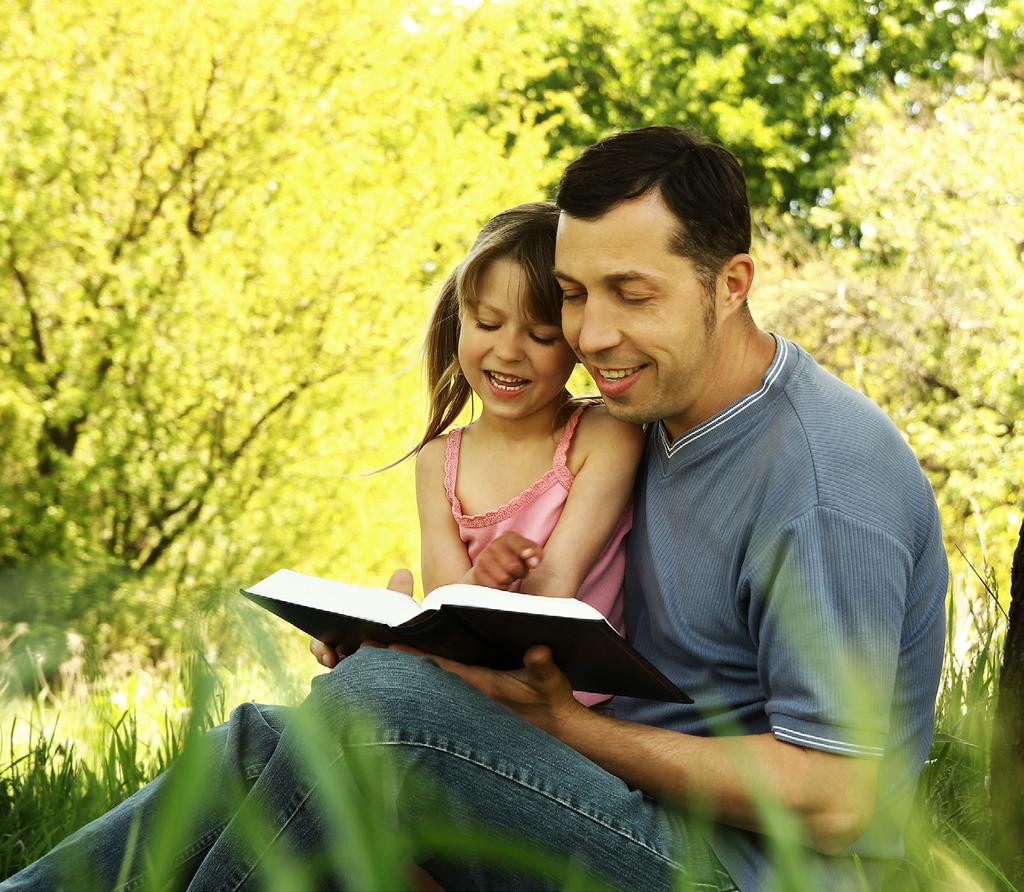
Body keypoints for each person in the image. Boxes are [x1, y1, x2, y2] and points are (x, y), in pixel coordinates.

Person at [3, 127, 947, 892]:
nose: (594, 335)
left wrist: (562, 728)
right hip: (621, 799)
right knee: (271, 739)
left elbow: (842, 798)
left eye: (632, 294)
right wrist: (419, 641)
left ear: (731, 283)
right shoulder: (645, 411)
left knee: (372, 717)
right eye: (575, 295)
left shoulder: (826, 478)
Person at [412, 201, 642, 707]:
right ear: (460, 321)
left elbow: (555, 584)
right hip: (478, 698)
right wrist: (480, 582)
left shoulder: (603, 438)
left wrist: (489, 591)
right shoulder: (437, 462)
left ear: (576, 344)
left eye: (540, 336)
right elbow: (448, 611)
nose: (510, 351)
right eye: (488, 324)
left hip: (574, 716)